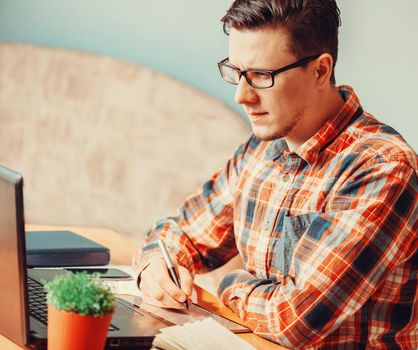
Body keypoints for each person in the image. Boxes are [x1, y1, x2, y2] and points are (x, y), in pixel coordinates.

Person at [133, 0, 417, 348]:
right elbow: (180, 232)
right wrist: (155, 267)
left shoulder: (381, 168)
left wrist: (229, 284)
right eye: (236, 72)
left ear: (320, 70)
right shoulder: (263, 146)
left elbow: (296, 319)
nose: (241, 95)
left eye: (260, 76)